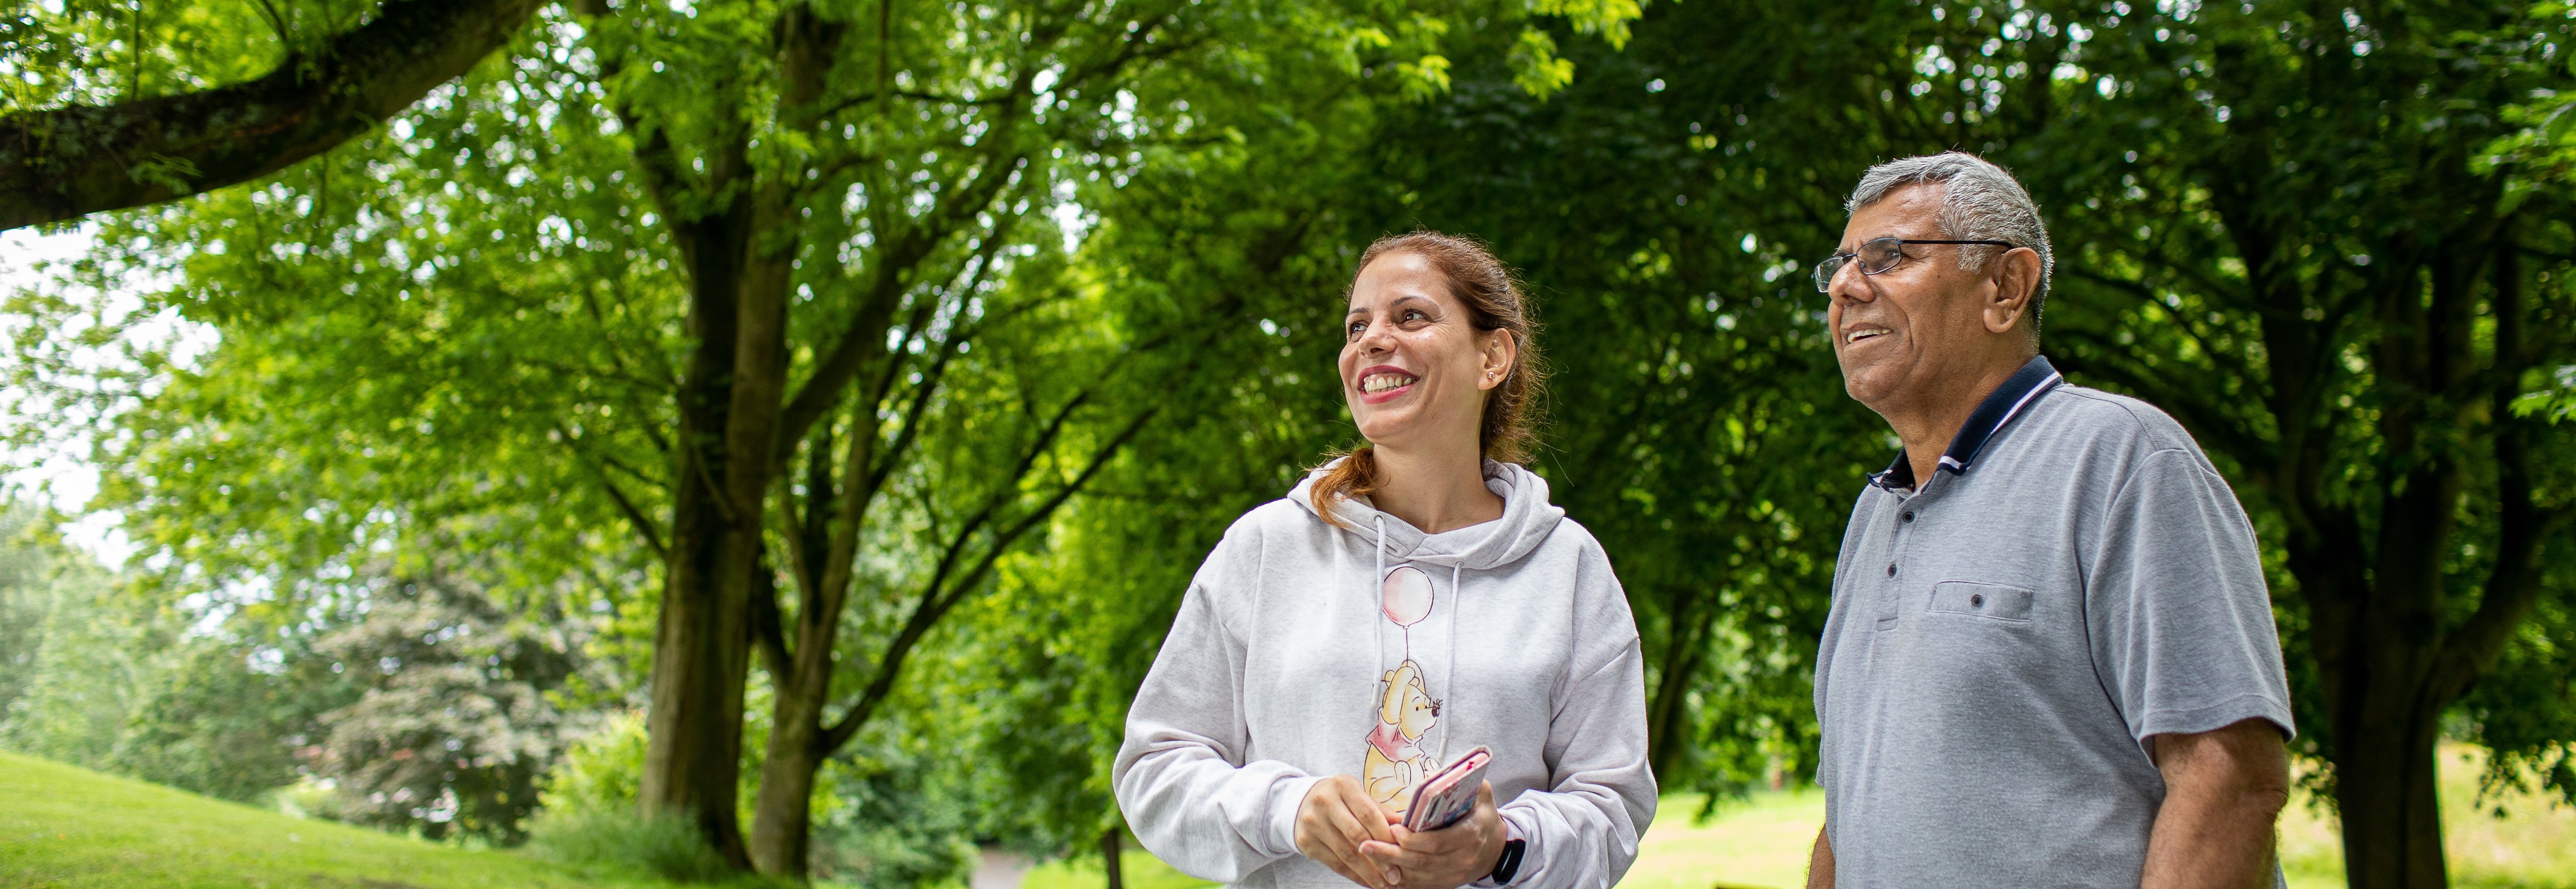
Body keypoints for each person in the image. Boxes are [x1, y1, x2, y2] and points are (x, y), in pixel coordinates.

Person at [1802, 152, 2297, 888]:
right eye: (1839, 266)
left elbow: (2229, 775)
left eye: (1889, 256)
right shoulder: (1874, 515)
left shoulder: (2126, 459)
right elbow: (1852, 807)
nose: (1845, 286)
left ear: (2006, 287)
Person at [1114, 232, 1655, 889]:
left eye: (1411, 316)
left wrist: (1503, 846)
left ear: (1493, 357)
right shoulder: (1266, 549)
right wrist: (1286, 809)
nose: (1369, 340)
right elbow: (1154, 769)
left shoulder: (1568, 569)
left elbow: (1614, 805)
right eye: (1356, 325)